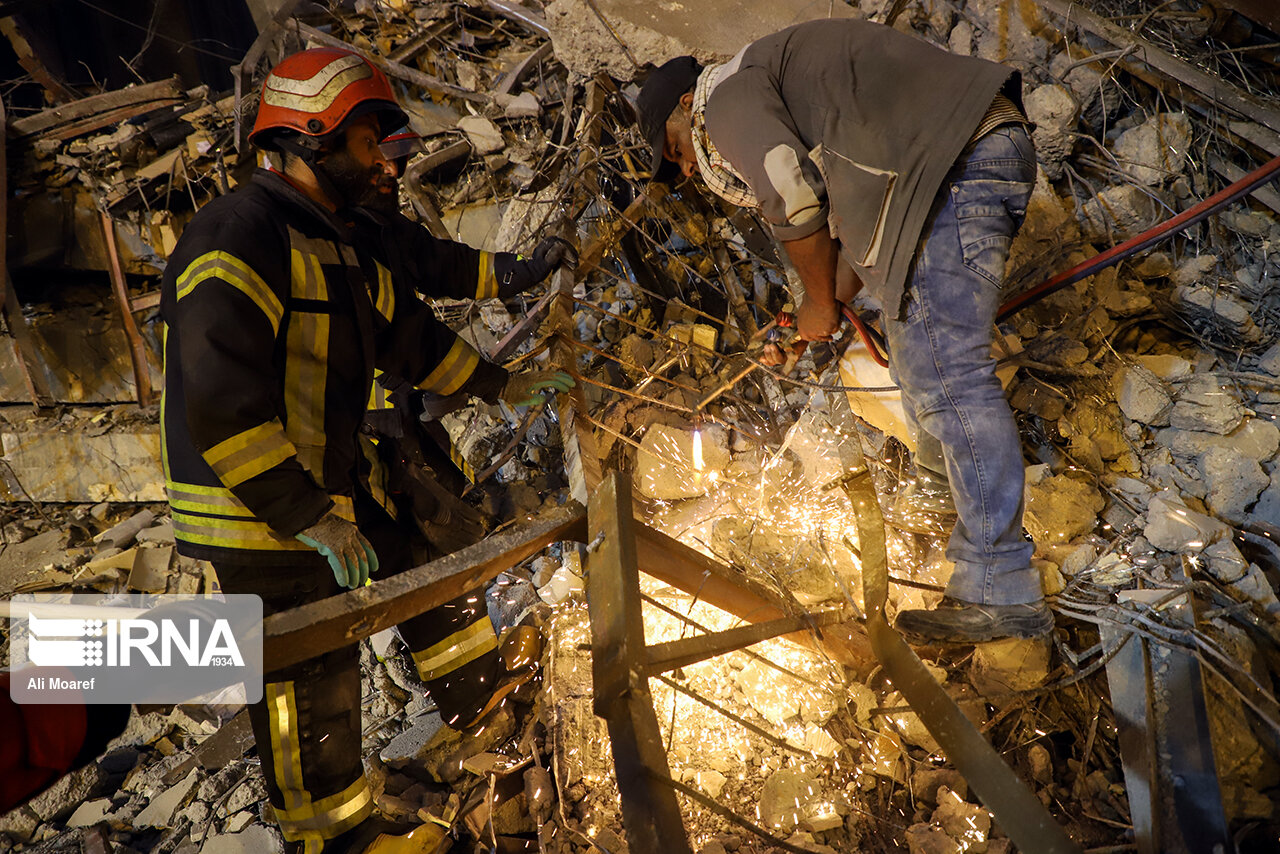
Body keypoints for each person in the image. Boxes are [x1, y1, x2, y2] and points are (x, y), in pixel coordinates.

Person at [161, 47, 574, 853]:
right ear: (309, 139)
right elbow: (215, 396)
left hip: (325, 492)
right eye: (364, 142)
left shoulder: (336, 241)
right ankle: (334, 841)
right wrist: (308, 515)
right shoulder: (237, 236)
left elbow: (408, 338)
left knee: (424, 571)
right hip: (261, 516)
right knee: (306, 688)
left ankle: (484, 721)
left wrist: (501, 386)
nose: (383, 160)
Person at [635, 18, 1051, 644]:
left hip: (953, 167)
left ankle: (1002, 588)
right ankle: (943, 510)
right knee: (921, 366)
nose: (688, 170)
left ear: (686, 105)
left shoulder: (726, 97)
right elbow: (854, 250)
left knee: (948, 376)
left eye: (675, 151)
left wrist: (814, 302)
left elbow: (791, 195)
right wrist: (814, 312)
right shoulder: (790, 91)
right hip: (951, 165)